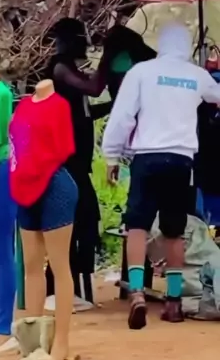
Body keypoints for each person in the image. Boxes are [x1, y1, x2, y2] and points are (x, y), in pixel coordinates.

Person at [102, 22, 220, 329]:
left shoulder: (141, 72)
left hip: (146, 158)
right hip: (181, 161)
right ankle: (174, 301)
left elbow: (123, 116)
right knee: (174, 230)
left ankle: (137, 292)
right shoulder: (196, 75)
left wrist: (112, 155)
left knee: (137, 226)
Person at [45, 19, 111, 301]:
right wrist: (109, 56)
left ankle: (72, 280)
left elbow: (83, 113)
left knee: (84, 220)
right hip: (67, 162)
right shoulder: (60, 68)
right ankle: (59, 284)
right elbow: (94, 88)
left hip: (78, 161)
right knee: (78, 220)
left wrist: (113, 107)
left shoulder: (70, 69)